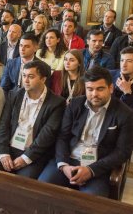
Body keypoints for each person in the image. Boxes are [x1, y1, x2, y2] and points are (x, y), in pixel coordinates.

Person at [38, 66, 133, 198]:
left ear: (110, 88)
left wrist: (91, 170)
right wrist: (64, 166)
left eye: (100, 89)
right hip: (68, 160)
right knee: (40, 190)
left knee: (91, 205)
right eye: (90, 89)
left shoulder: (124, 113)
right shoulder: (75, 105)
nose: (94, 94)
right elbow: (62, 137)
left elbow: (123, 152)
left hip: (97, 166)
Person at [0, 60, 66, 179]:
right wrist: (3, 152)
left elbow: (47, 135)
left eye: (31, 76)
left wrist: (26, 158)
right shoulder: (14, 95)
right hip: (9, 148)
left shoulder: (56, 103)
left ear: (43, 79)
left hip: (33, 153)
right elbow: (4, 124)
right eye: (24, 75)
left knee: (22, 184)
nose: (26, 80)